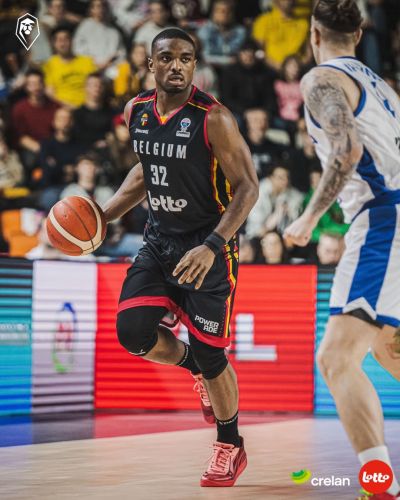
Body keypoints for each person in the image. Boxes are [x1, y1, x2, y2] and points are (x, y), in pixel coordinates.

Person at [102, 28, 258, 486]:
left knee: (214, 356)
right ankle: (192, 366)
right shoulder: (136, 111)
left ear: (194, 65)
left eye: (186, 58)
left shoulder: (214, 118)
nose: (177, 65)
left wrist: (212, 245)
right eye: (167, 57)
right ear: (150, 64)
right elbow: (145, 172)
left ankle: (230, 444)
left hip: (208, 246)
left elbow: (248, 187)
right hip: (159, 242)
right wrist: (103, 217)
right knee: (132, 333)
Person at [284, 2, 400, 499]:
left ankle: (379, 486)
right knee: (388, 349)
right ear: (359, 32)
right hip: (392, 216)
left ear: (314, 33)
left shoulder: (321, 80)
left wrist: (310, 217)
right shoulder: (383, 87)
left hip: (383, 219)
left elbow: (347, 150)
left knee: (335, 359)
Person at [11, 68, 60, 177]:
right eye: (32, 84)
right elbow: (20, 138)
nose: (36, 88)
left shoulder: (54, 106)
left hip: (53, 145)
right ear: (26, 87)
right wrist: (43, 151)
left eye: (39, 83)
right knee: (31, 161)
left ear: (44, 85)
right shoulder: (19, 108)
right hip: (32, 148)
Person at [221, 39, 277, 123]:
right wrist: (245, 112)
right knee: (236, 122)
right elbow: (226, 100)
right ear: (240, 54)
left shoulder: (264, 73)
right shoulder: (229, 72)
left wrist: (265, 112)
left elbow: (270, 98)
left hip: (260, 112)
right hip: (238, 112)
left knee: (281, 124)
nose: (248, 57)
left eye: (251, 55)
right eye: (245, 54)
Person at [43, 26, 97, 108]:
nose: (63, 44)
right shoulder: (49, 64)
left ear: (72, 41)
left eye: (66, 40)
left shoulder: (87, 61)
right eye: (59, 40)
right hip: (61, 108)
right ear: (54, 44)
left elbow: (95, 86)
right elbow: (50, 92)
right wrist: (69, 107)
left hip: (87, 107)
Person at [246, 165, 303, 238]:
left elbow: (298, 201)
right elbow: (256, 229)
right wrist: (276, 215)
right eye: (280, 177)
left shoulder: (290, 194)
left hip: (280, 237)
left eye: (287, 177)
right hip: (256, 236)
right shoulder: (258, 194)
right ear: (270, 178)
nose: (285, 181)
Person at [252, 0, 310, 72]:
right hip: (270, 71)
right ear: (275, 1)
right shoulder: (263, 21)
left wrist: (296, 67)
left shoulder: (304, 23)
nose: (290, 1)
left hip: (298, 71)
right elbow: (260, 51)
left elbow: (308, 53)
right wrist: (278, 67)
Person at [72, 0, 126, 74]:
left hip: (110, 70)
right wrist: (95, 62)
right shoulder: (84, 27)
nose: (101, 9)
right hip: (89, 69)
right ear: (92, 9)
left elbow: (121, 54)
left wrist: (108, 62)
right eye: (98, 6)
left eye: (104, 6)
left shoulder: (114, 32)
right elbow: (77, 50)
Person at [197, 0, 246, 67]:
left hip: (235, 69)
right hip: (210, 68)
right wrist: (228, 60)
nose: (225, 15)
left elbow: (242, 55)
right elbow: (206, 57)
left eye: (229, 11)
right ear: (214, 13)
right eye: (221, 11)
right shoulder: (204, 31)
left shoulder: (240, 31)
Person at [72, 73, 114, 148]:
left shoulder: (112, 112)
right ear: (86, 88)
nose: (97, 88)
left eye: (100, 85)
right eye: (93, 85)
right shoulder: (77, 115)